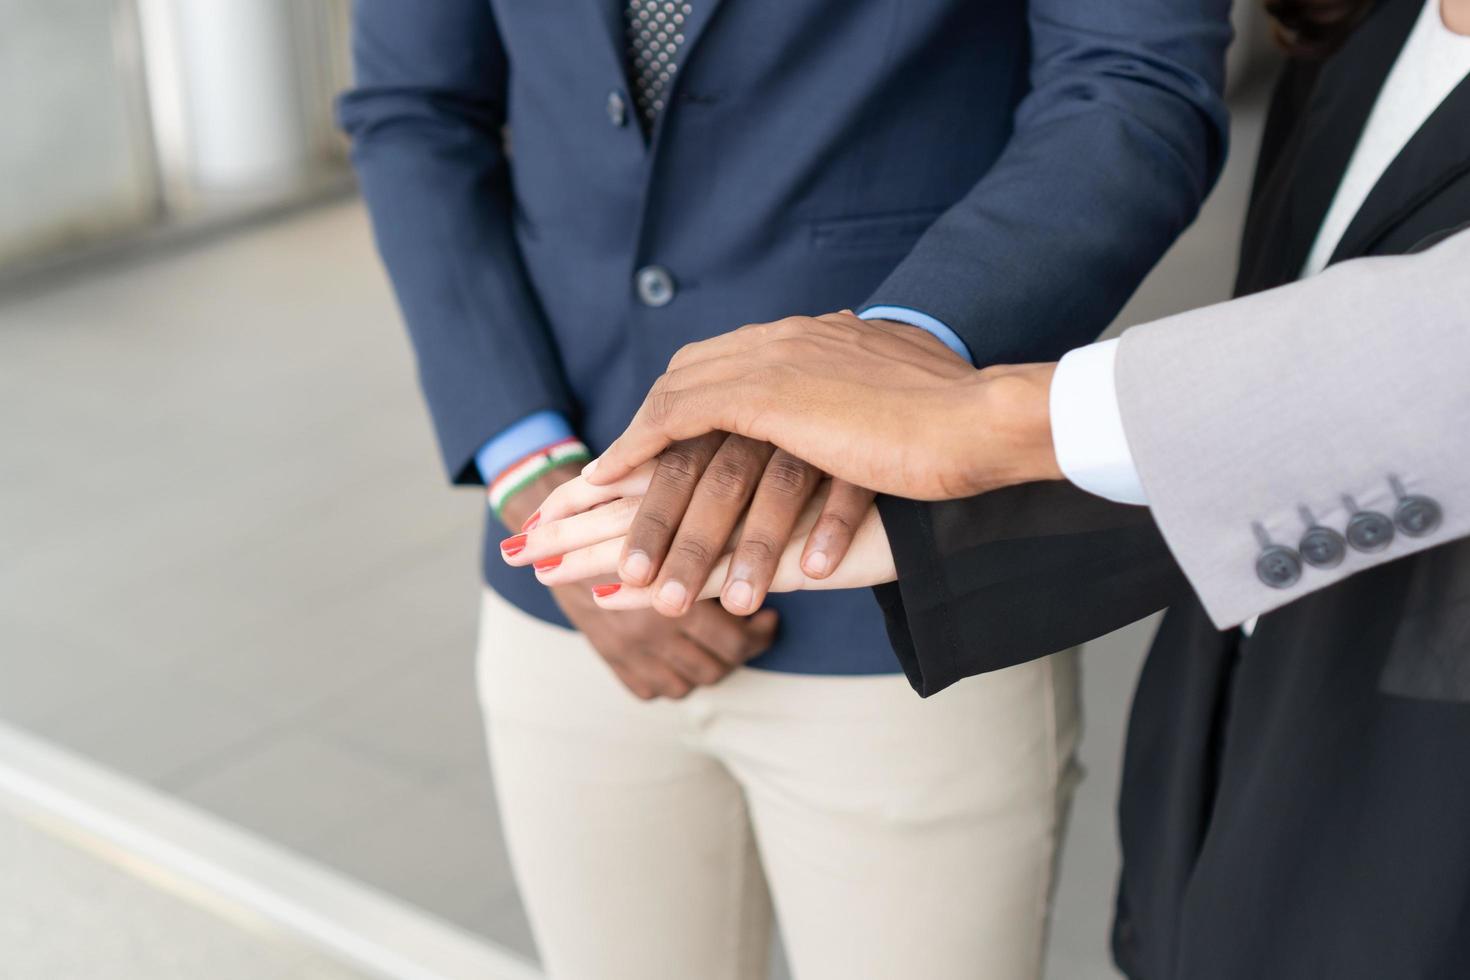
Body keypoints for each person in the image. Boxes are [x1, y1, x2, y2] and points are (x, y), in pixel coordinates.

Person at [524, 0, 1470, 974]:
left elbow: (1130, 84)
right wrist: (527, 465)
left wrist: (976, 415)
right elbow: (1300, 398)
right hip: (1234, 773)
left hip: (1400, 824)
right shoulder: (1365, 32)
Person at [339, 1, 1231, 976]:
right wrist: (528, 471)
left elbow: (1129, 81)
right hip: (571, 574)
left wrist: (893, 362)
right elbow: (413, 111)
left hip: (898, 598)